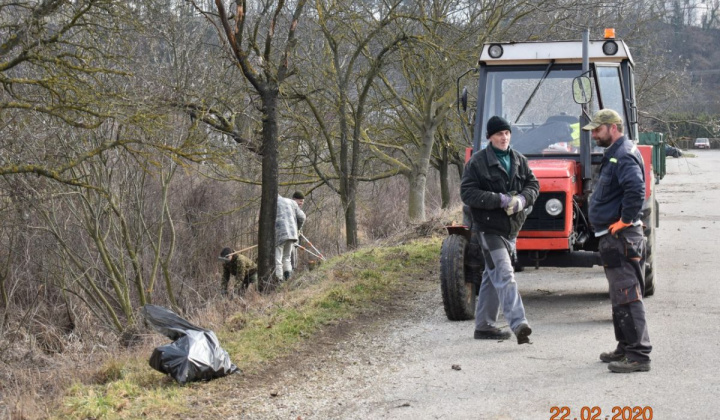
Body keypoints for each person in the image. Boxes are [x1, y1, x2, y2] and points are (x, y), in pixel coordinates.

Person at [582, 109, 652, 373]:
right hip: (614, 237)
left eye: (598, 130)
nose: (595, 135)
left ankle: (639, 356)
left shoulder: (623, 155)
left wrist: (625, 220)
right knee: (619, 294)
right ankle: (625, 347)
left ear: (613, 128)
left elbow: (636, 189)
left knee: (627, 293)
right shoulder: (616, 153)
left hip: (621, 237)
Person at [460, 116, 539, 345]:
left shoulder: (519, 160)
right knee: (505, 273)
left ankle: (484, 326)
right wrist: (500, 200)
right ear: (489, 138)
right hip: (488, 229)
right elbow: (468, 193)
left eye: (506, 133)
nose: (504, 137)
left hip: (511, 228)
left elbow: (534, 185)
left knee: (491, 275)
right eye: (498, 134)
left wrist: (523, 200)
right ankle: (519, 324)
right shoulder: (477, 163)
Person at [276, 192, 306, 281]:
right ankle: (288, 279)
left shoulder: (272, 202)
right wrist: (297, 229)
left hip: (279, 234)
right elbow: (302, 217)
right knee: (287, 257)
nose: (301, 203)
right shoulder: (291, 202)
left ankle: (279, 280)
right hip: (292, 234)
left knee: (278, 259)